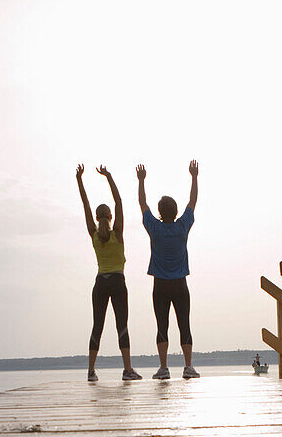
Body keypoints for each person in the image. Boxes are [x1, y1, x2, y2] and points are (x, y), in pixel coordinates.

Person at [76, 163, 142, 383]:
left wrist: (80, 180)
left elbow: (85, 204)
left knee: (98, 326)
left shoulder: (94, 234)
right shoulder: (118, 233)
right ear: (111, 216)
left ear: (96, 218)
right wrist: (109, 176)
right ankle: (127, 369)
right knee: (121, 325)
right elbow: (119, 201)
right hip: (117, 281)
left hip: (100, 283)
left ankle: (91, 371)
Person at [136, 160, 199, 380]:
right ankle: (188, 367)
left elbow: (142, 203)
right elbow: (192, 201)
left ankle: (163, 368)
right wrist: (194, 177)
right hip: (180, 283)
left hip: (160, 284)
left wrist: (141, 181)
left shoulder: (154, 228)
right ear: (175, 211)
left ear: (161, 213)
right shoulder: (182, 226)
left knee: (162, 324)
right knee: (184, 323)